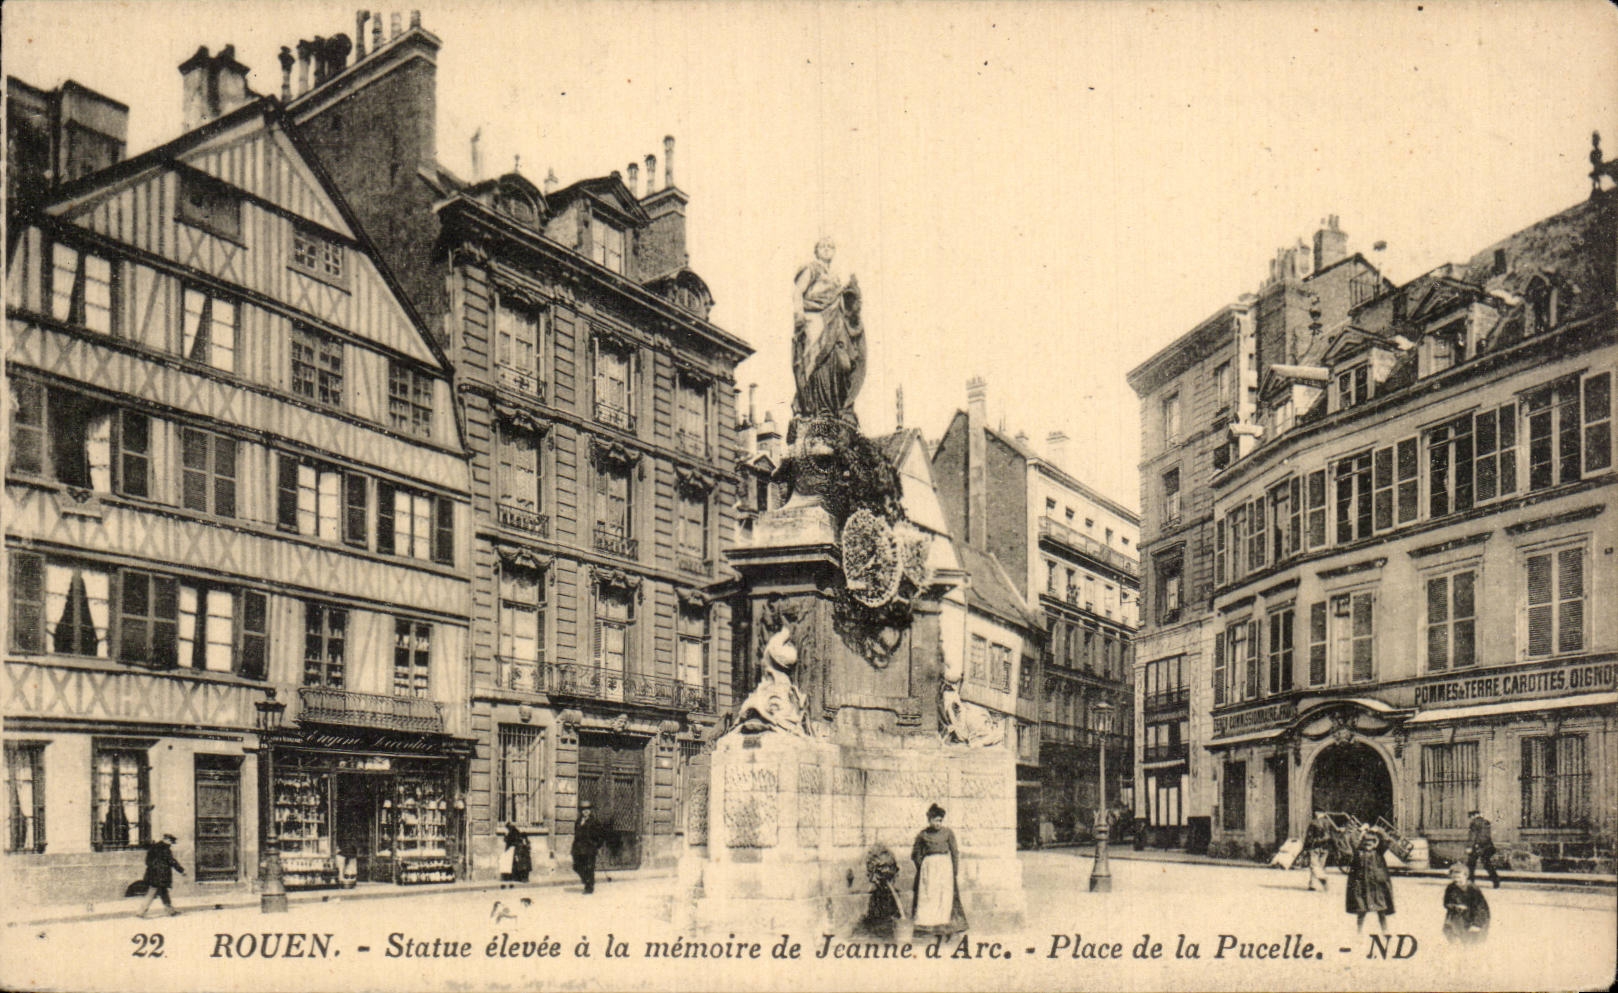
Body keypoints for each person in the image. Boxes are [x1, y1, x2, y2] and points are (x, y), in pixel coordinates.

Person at [790, 237, 866, 424]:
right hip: (815, 318)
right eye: (823, 246)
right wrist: (799, 315)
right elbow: (798, 292)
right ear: (816, 251)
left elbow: (844, 305)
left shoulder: (835, 276)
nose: (827, 249)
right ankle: (817, 407)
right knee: (816, 361)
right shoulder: (811, 269)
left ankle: (834, 407)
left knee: (842, 363)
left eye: (830, 247)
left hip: (834, 320)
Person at [911, 803, 968, 938]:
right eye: (935, 820)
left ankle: (943, 924)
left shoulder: (948, 833)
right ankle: (928, 924)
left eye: (940, 820)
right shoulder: (923, 834)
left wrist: (954, 870)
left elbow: (954, 852)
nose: (938, 823)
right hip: (929, 868)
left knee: (944, 895)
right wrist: (923, 865)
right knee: (930, 894)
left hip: (944, 867)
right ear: (929, 820)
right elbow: (915, 853)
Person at [1345, 824, 1395, 934]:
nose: (1369, 844)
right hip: (1361, 885)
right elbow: (1350, 838)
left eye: (1372, 842)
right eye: (1366, 842)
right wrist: (1360, 829)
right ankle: (1359, 932)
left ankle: (1385, 931)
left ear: (1375, 842)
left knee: (1381, 910)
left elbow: (1388, 841)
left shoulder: (1378, 852)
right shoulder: (1358, 851)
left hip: (1376, 886)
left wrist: (1379, 830)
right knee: (1361, 911)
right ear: (1362, 842)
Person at [136, 832, 185, 918]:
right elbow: (172, 861)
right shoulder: (165, 849)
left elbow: (147, 861)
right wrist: (181, 870)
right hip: (161, 875)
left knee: (163, 892)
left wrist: (153, 868)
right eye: (171, 842)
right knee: (152, 892)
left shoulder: (153, 847)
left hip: (152, 874)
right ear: (166, 840)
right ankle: (141, 912)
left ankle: (171, 911)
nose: (171, 844)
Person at [1442, 862, 1491, 944]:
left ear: (1466, 876)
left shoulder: (1472, 889)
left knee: (1471, 942)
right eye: (1454, 877)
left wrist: (1477, 924)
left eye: (1459, 877)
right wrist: (1455, 906)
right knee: (1450, 933)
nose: (1456, 880)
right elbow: (1446, 902)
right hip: (1457, 917)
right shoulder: (1450, 887)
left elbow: (1481, 908)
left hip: (1474, 917)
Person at [570, 801, 610, 895]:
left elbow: (602, 835)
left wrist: (597, 845)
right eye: (583, 809)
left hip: (589, 848)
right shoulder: (578, 821)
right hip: (578, 848)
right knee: (576, 866)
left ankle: (589, 886)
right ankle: (586, 881)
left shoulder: (594, 822)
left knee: (589, 867)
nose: (585, 811)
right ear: (581, 811)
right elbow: (576, 835)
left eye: (587, 809)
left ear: (590, 810)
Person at [1466, 810, 1502, 889]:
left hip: (1477, 846)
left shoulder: (1474, 823)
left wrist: (1469, 846)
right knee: (1487, 864)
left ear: (1473, 816)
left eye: (1471, 817)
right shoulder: (1486, 822)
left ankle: (1470, 882)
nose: (1471, 819)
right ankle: (1496, 881)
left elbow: (1473, 836)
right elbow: (1486, 836)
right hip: (1487, 846)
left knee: (1471, 864)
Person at [1303, 810, 1334, 892]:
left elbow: (1309, 836)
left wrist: (1305, 847)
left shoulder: (1314, 823)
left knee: (1314, 866)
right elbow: (1333, 835)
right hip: (1325, 847)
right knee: (1320, 866)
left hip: (1315, 847)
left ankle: (1318, 883)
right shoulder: (1329, 823)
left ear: (1317, 813)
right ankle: (1313, 884)